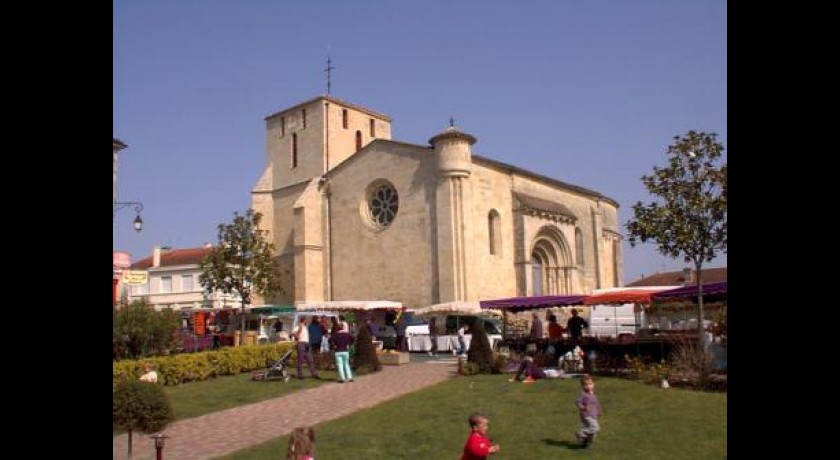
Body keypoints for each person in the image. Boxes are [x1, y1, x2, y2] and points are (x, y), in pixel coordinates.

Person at [576, 375, 602, 448]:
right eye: (585, 384)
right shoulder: (583, 394)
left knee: (593, 433)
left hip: (594, 415)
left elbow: (597, 403)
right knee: (595, 428)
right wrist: (583, 407)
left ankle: (586, 443)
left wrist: (599, 411)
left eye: (590, 384)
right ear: (582, 386)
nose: (588, 386)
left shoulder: (594, 394)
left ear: (593, 384)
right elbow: (578, 402)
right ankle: (581, 433)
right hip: (586, 415)